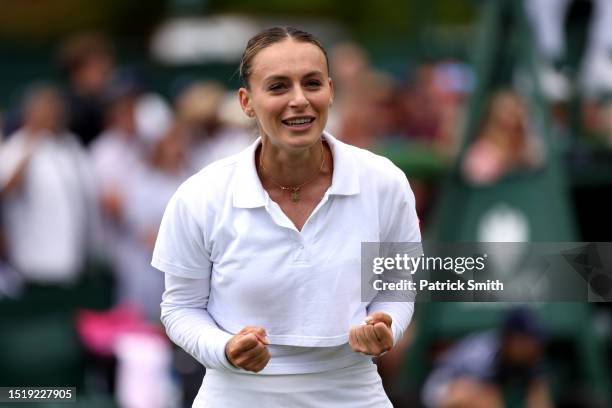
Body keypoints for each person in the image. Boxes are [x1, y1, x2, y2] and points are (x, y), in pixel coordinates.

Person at [152, 26, 421, 407]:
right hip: (235, 395)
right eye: (278, 87)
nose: (299, 100)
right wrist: (225, 349)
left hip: (354, 392)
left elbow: (396, 290)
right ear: (247, 101)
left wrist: (383, 327)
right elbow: (180, 308)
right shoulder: (201, 195)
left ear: (330, 90)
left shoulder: (385, 183)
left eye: (312, 84)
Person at [421, 308, 553, 408]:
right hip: (441, 386)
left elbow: (539, 395)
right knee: (488, 399)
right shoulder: (482, 354)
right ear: (512, 339)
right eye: (527, 340)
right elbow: (461, 392)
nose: (534, 346)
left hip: (475, 389)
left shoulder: (527, 358)